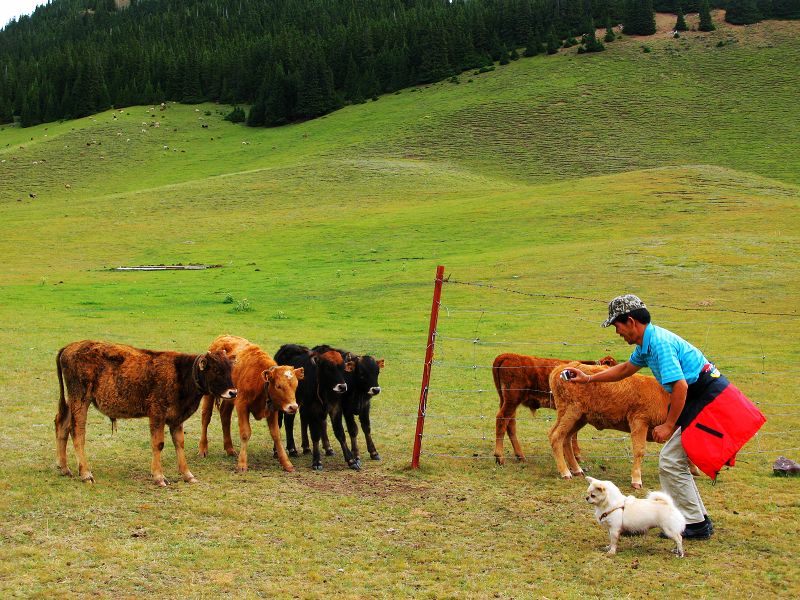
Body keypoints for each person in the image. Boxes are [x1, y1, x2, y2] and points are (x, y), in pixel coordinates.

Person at [565, 294, 714, 540]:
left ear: (631, 321)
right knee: (672, 461)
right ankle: (697, 520)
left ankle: (695, 523)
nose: (617, 332)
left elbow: (680, 387)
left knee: (670, 461)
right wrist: (589, 378)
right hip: (699, 399)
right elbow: (624, 369)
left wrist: (668, 425)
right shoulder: (647, 344)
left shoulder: (659, 345)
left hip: (704, 400)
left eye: (617, 325)